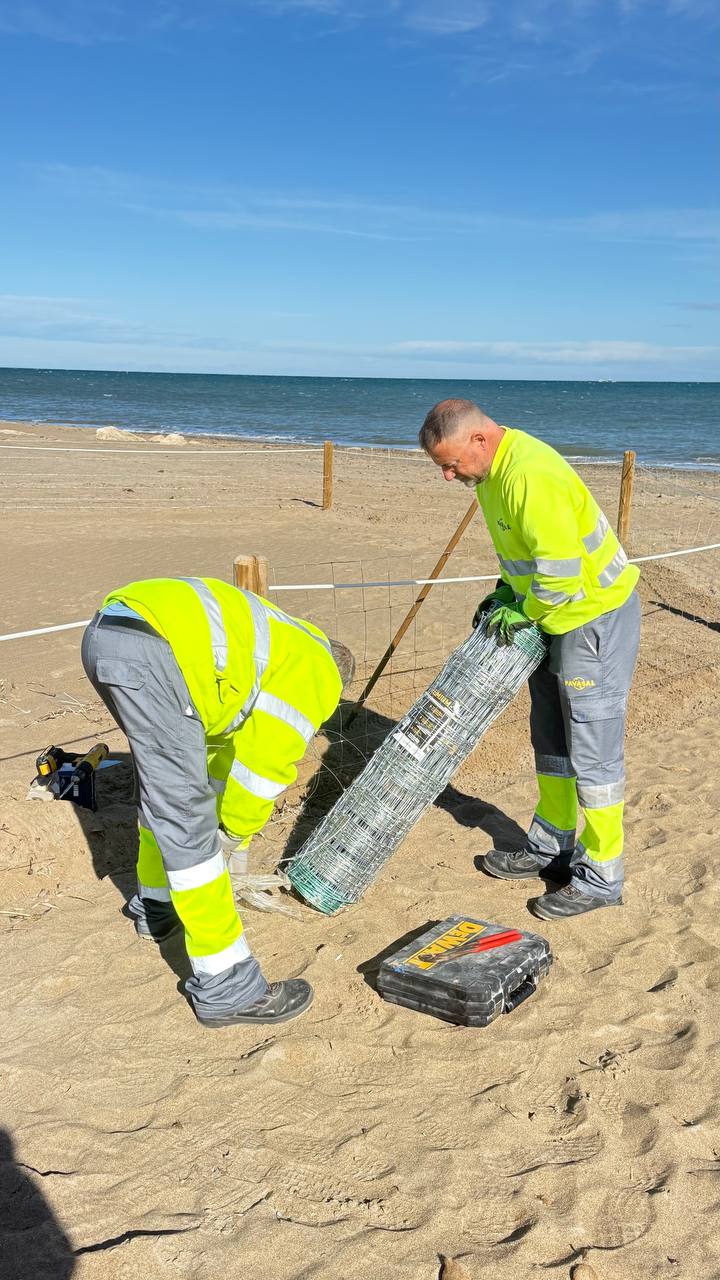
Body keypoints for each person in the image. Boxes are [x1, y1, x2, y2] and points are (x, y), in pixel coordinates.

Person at [81, 576, 355, 1026]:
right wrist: (232, 832)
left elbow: (214, 756)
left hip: (108, 633)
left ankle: (156, 908)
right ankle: (227, 986)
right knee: (190, 825)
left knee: (168, 798)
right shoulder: (317, 671)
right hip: (151, 650)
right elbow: (261, 771)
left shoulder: (275, 648)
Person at [419, 399, 641, 920]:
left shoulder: (530, 475)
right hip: (548, 617)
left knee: (593, 748)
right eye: (441, 468)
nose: (448, 478)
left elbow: (562, 577)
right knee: (551, 736)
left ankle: (603, 874)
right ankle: (553, 844)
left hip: (591, 620)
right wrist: (506, 593)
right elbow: (526, 555)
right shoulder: (491, 472)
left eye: (451, 464)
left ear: (479, 439)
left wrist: (525, 613)